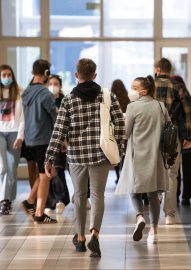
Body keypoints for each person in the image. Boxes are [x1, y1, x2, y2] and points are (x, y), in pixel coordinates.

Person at [45, 58, 125, 257]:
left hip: (77, 157)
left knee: (80, 196)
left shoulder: (69, 100)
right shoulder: (107, 96)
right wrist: (120, 149)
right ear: (95, 75)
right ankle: (95, 235)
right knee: (98, 196)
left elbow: (59, 131)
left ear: (76, 75)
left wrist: (49, 157)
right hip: (100, 155)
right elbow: (120, 125)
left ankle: (80, 237)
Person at [115, 75, 169, 244]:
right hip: (155, 155)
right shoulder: (161, 106)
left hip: (136, 155)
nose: (131, 90)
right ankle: (154, 231)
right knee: (153, 194)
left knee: (134, 190)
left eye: (134, 87)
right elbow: (167, 128)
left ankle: (139, 217)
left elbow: (126, 133)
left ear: (143, 91)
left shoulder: (132, 107)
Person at [154, 58, 191, 224]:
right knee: (172, 173)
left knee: (153, 172)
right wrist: (189, 137)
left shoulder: (149, 86)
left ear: (157, 69)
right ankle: (169, 214)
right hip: (172, 133)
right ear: (169, 70)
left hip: (151, 133)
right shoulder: (179, 87)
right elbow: (189, 112)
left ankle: (153, 210)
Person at [21, 59, 57, 224]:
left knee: (45, 173)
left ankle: (31, 203)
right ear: (46, 73)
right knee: (45, 175)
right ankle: (39, 212)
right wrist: (62, 139)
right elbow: (55, 118)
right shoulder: (46, 94)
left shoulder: (26, 92)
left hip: (30, 140)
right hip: (43, 140)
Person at [172, 75, 191, 206]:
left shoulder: (172, 102)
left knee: (175, 169)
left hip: (176, 137)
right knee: (189, 168)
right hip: (190, 137)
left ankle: (176, 195)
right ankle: (187, 197)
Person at [0, 64, 24, 215]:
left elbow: (23, 117)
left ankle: (9, 198)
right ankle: (4, 200)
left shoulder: (19, 92)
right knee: (3, 167)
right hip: (0, 133)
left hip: (14, 133)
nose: (6, 78)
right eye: (3, 75)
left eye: (9, 75)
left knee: (12, 168)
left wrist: (21, 136)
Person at [45, 74, 70, 214]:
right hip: (45, 139)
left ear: (60, 86)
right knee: (48, 171)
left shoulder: (64, 101)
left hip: (60, 140)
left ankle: (61, 199)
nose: (53, 86)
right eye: (50, 83)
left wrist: (64, 140)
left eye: (56, 83)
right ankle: (51, 202)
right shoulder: (45, 100)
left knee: (59, 170)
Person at [111, 79, 130, 184]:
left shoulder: (111, 100)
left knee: (117, 154)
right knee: (125, 154)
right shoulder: (127, 99)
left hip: (114, 131)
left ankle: (118, 176)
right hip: (126, 130)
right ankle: (124, 175)